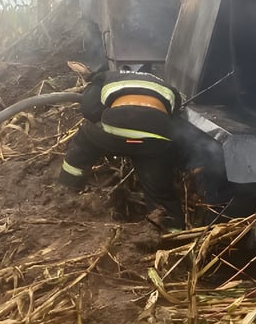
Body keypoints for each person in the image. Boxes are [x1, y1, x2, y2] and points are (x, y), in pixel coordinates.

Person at [59, 67, 185, 231]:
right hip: (154, 142)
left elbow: (89, 109)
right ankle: (172, 237)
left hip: (114, 133)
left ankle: (66, 188)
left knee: (86, 135)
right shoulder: (168, 87)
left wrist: (105, 121)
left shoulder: (105, 77)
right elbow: (174, 121)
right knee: (161, 194)